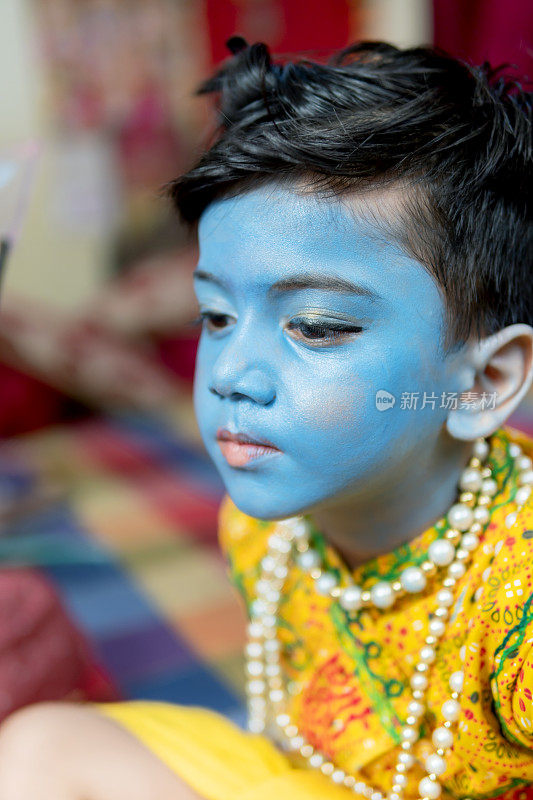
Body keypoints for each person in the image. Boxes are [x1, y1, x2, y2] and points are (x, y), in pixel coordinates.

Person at [0, 35, 532, 800]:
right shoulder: (261, 525)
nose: (231, 377)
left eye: (315, 325)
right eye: (214, 317)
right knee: (39, 745)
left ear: (482, 380)